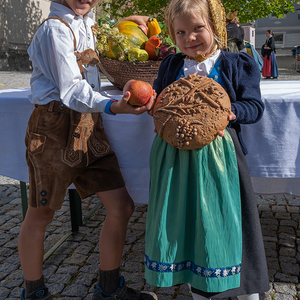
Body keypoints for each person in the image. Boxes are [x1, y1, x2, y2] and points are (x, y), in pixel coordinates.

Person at [18, 1, 157, 300]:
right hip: (54, 127)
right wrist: (112, 106)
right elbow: (71, 90)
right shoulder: (54, 29)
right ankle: (34, 293)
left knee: (121, 207)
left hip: (88, 125)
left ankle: (108, 290)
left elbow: (99, 44)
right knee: (41, 214)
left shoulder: (86, 23)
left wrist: (125, 22)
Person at [144, 0, 269, 299]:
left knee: (230, 221)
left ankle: (246, 289)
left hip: (221, 158)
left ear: (214, 25)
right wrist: (152, 105)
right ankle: (199, 286)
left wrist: (231, 112)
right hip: (175, 158)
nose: (190, 38)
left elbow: (254, 106)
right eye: (181, 32)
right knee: (188, 223)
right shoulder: (171, 65)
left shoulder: (236, 63)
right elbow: (161, 100)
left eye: (198, 28)